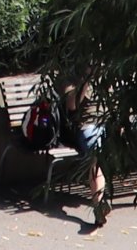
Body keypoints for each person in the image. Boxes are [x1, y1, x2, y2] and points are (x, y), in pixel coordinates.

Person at [23, 79, 110, 223]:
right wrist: (86, 79)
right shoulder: (70, 74)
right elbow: (72, 105)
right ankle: (98, 205)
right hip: (86, 126)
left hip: (108, 124)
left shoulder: (106, 71)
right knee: (95, 157)